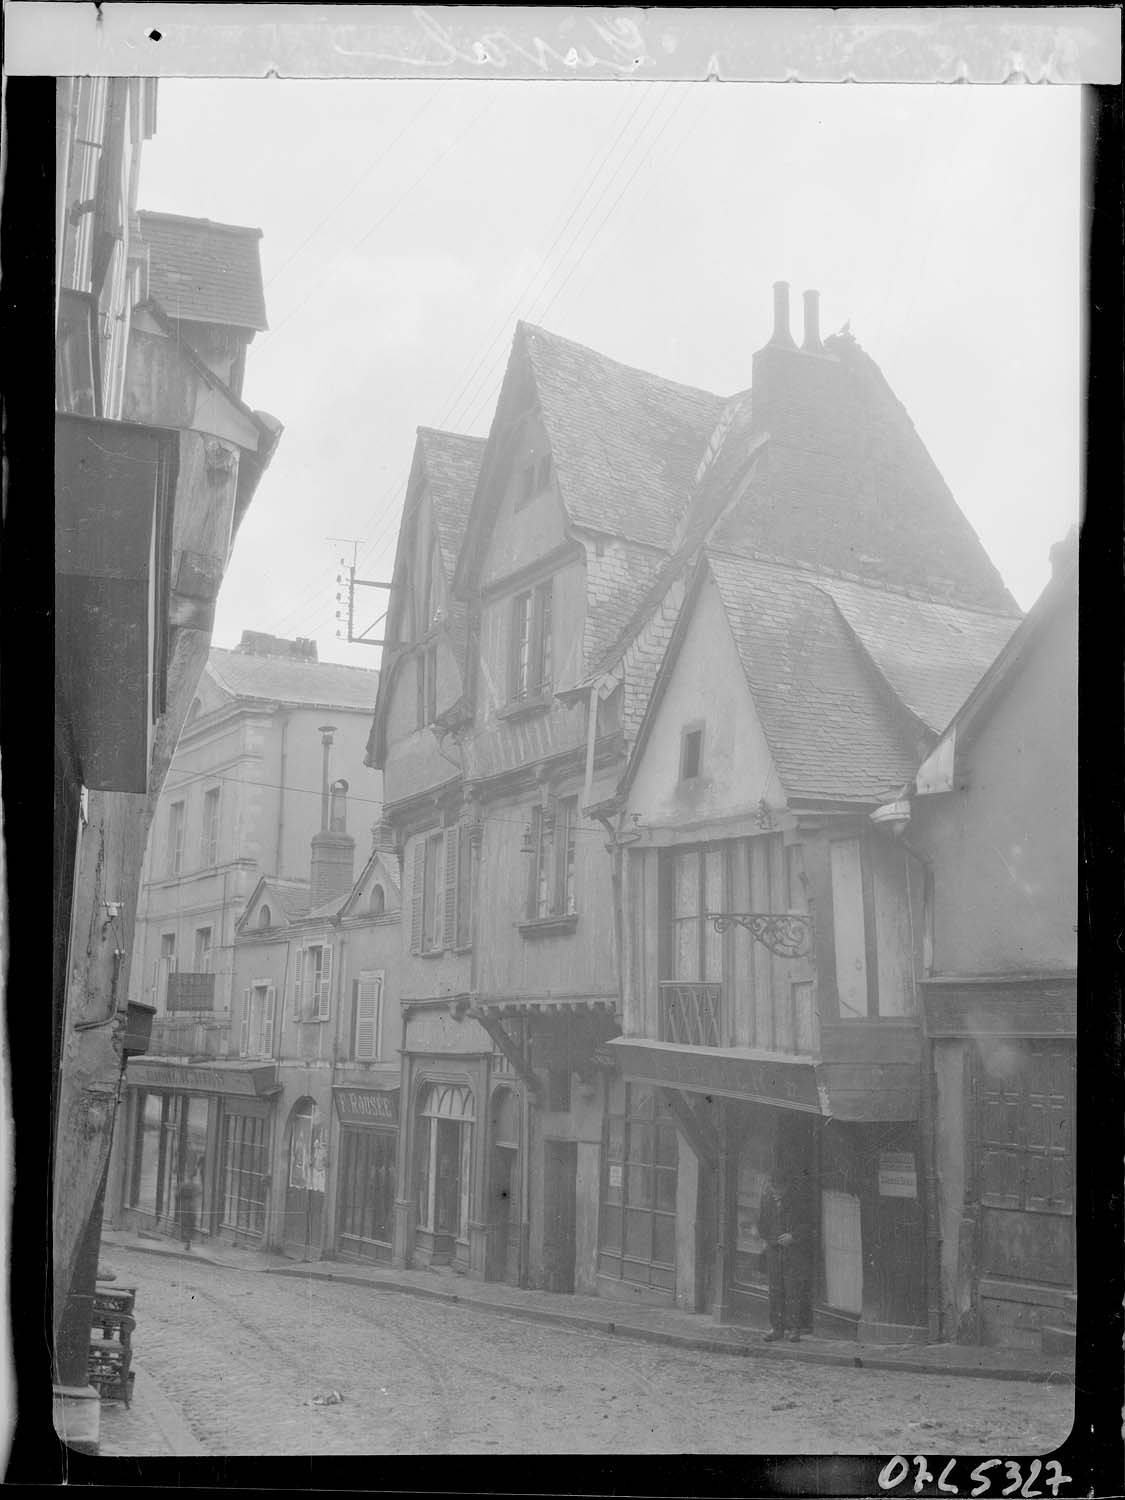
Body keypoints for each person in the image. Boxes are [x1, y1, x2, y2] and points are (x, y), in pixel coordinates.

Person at [757, 1166, 809, 1342]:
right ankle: (776, 1328)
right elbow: (761, 1223)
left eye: (779, 1189)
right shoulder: (767, 1200)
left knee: (792, 1290)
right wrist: (770, 1238)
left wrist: (793, 1236)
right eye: (773, 1188)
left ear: (786, 1187)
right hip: (773, 1251)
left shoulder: (798, 1201)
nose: (776, 1193)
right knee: (775, 1290)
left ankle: (794, 1329)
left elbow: (809, 1225)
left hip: (793, 1252)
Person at [177, 1165, 203, 1252]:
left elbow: (177, 1196)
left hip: (185, 1207)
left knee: (185, 1224)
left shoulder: (184, 1185)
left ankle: (186, 1241)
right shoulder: (197, 1187)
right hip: (193, 1207)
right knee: (191, 1225)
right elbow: (199, 1194)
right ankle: (189, 1241)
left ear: (188, 1176)